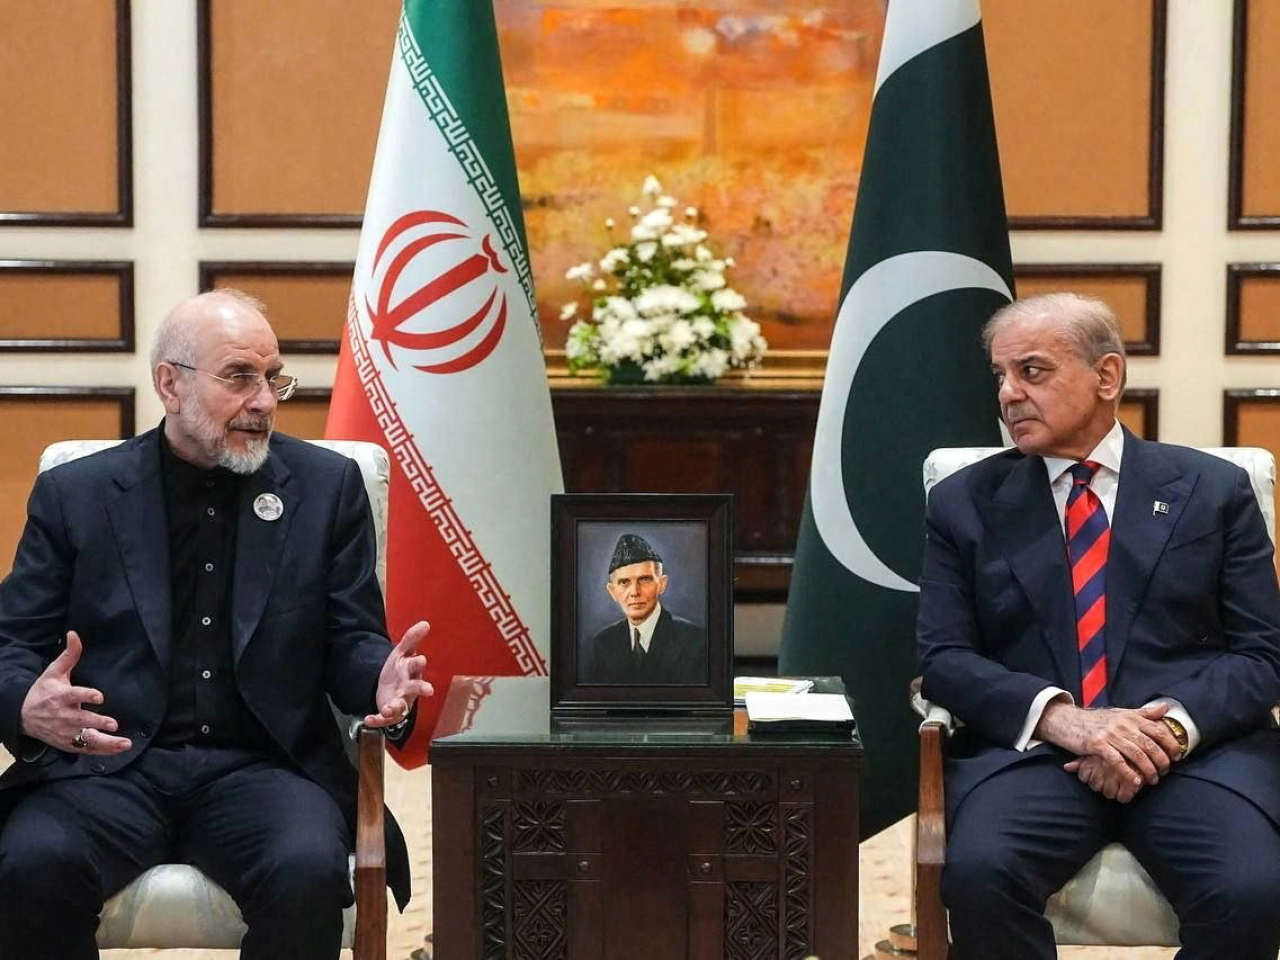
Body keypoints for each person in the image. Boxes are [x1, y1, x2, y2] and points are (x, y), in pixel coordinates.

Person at [0, 289, 433, 960]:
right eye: (239, 377)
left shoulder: (325, 487)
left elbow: (351, 640)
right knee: (31, 863)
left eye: (273, 377)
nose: (263, 399)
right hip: (108, 768)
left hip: (262, 766)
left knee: (306, 870)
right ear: (170, 385)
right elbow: (13, 640)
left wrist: (379, 682)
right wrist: (26, 703)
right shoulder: (78, 494)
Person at [917, 292, 1280, 960]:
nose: (1009, 394)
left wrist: (1166, 731)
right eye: (1000, 376)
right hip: (1033, 757)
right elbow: (942, 657)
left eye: (1032, 371)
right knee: (980, 876)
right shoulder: (964, 502)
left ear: (1106, 376)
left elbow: (1262, 655)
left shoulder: (1214, 490)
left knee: (1252, 890)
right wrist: (1066, 720)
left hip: (1192, 755)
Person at [583, 533, 708, 685]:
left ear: (662, 584)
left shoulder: (694, 640)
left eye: (645, 579)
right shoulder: (603, 643)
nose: (635, 592)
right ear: (612, 591)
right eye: (624, 582)